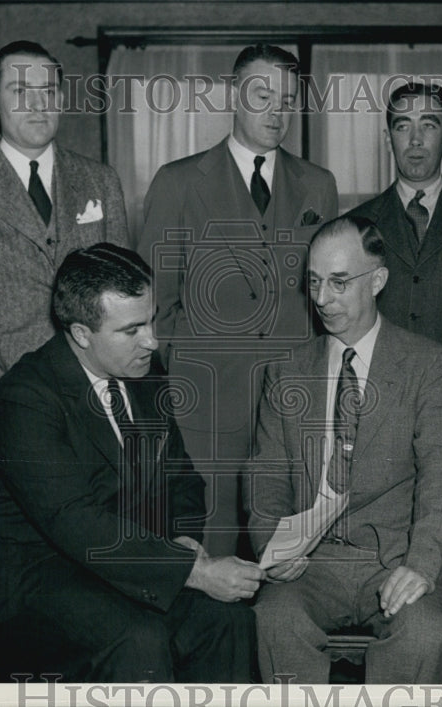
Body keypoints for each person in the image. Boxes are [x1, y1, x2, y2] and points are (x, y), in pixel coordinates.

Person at [0, 243, 259, 682]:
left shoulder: (145, 371)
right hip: (32, 581)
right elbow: (77, 523)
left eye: (152, 320)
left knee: (226, 621)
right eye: (132, 329)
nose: (152, 340)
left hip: (120, 569)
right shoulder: (25, 400)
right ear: (81, 333)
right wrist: (193, 572)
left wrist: (182, 540)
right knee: (136, 636)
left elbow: (182, 479)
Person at [137, 44, 339, 555]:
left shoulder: (318, 185)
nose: (276, 110)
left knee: (286, 547)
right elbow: (155, 304)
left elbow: (327, 304)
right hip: (204, 402)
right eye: (262, 94)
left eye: (287, 99)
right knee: (209, 546)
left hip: (290, 404)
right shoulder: (179, 182)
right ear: (233, 96)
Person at [248, 215, 442, 684]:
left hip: (397, 557)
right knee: (274, 621)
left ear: (379, 280)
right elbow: (264, 474)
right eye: (315, 283)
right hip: (310, 566)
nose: (322, 299)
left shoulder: (426, 364)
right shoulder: (286, 372)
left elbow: (441, 476)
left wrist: (421, 565)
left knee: (424, 634)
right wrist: (272, 547)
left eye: (340, 283)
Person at [347, 81, 442, 681]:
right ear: (387, 135)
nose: (415, 139)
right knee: (382, 544)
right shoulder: (360, 224)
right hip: (380, 411)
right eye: (403, 125)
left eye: (429, 125)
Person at [0, 40, 129, 425]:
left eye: (48, 92)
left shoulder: (101, 181)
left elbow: (124, 302)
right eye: (20, 92)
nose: (38, 105)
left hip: (95, 397)